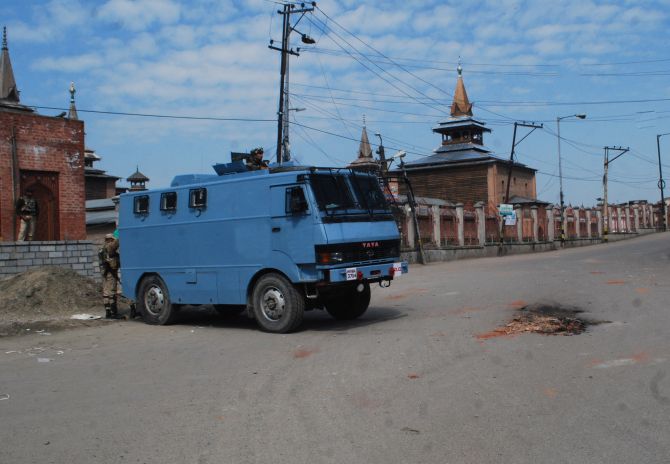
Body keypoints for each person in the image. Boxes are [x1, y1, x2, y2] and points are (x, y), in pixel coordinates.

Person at [99, 234, 122, 319]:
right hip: (111, 272)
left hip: (104, 273)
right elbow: (117, 242)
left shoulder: (101, 249)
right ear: (110, 239)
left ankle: (108, 313)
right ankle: (114, 313)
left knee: (105, 292)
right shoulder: (110, 246)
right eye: (112, 239)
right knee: (112, 292)